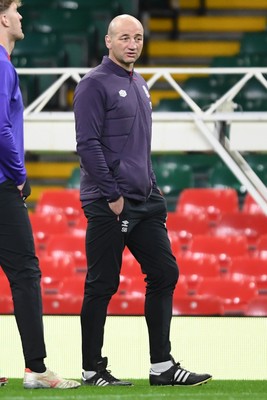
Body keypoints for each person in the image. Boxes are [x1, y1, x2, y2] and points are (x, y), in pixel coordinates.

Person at [73, 14, 212, 387]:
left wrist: (152, 186)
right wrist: (113, 195)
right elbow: (87, 146)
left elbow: (139, 146)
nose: (132, 44)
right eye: (124, 38)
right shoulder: (92, 85)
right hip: (109, 201)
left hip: (145, 200)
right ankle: (91, 369)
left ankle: (162, 367)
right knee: (102, 284)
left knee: (165, 272)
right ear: (108, 41)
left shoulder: (141, 84)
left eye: (138, 37)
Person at [0, 0, 80, 389]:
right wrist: (19, 175)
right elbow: (0, 128)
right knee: (25, 274)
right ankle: (36, 368)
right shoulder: (1, 65)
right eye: (16, 11)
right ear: (2, 18)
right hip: (1, 184)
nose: (20, 17)